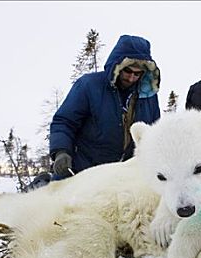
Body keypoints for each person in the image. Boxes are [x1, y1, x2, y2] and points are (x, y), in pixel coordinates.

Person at [49, 34, 161, 179]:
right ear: (118, 66)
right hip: (83, 173)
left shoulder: (148, 96)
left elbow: (153, 133)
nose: (132, 77)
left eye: (138, 73)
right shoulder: (89, 86)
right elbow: (65, 121)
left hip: (123, 178)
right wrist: (61, 151)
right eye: (128, 71)